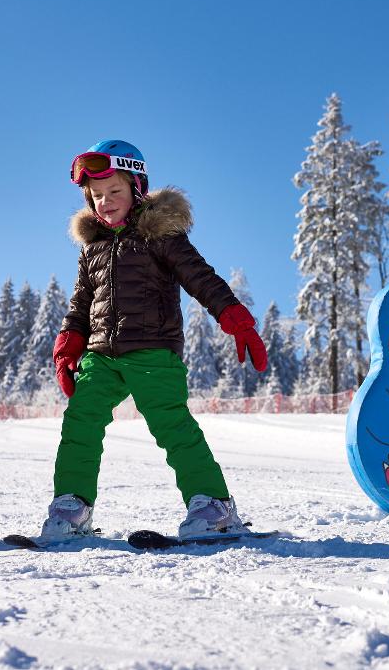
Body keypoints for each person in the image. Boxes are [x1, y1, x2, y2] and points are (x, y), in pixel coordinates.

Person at [38, 139, 267, 541]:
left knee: (171, 424)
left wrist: (236, 318)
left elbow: (201, 277)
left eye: (115, 192)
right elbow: (81, 302)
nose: (105, 202)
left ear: (137, 189)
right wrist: (69, 343)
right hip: (100, 355)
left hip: (153, 350)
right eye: (97, 196)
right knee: (80, 422)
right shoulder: (92, 247)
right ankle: (71, 507)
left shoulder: (160, 235)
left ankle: (214, 507)